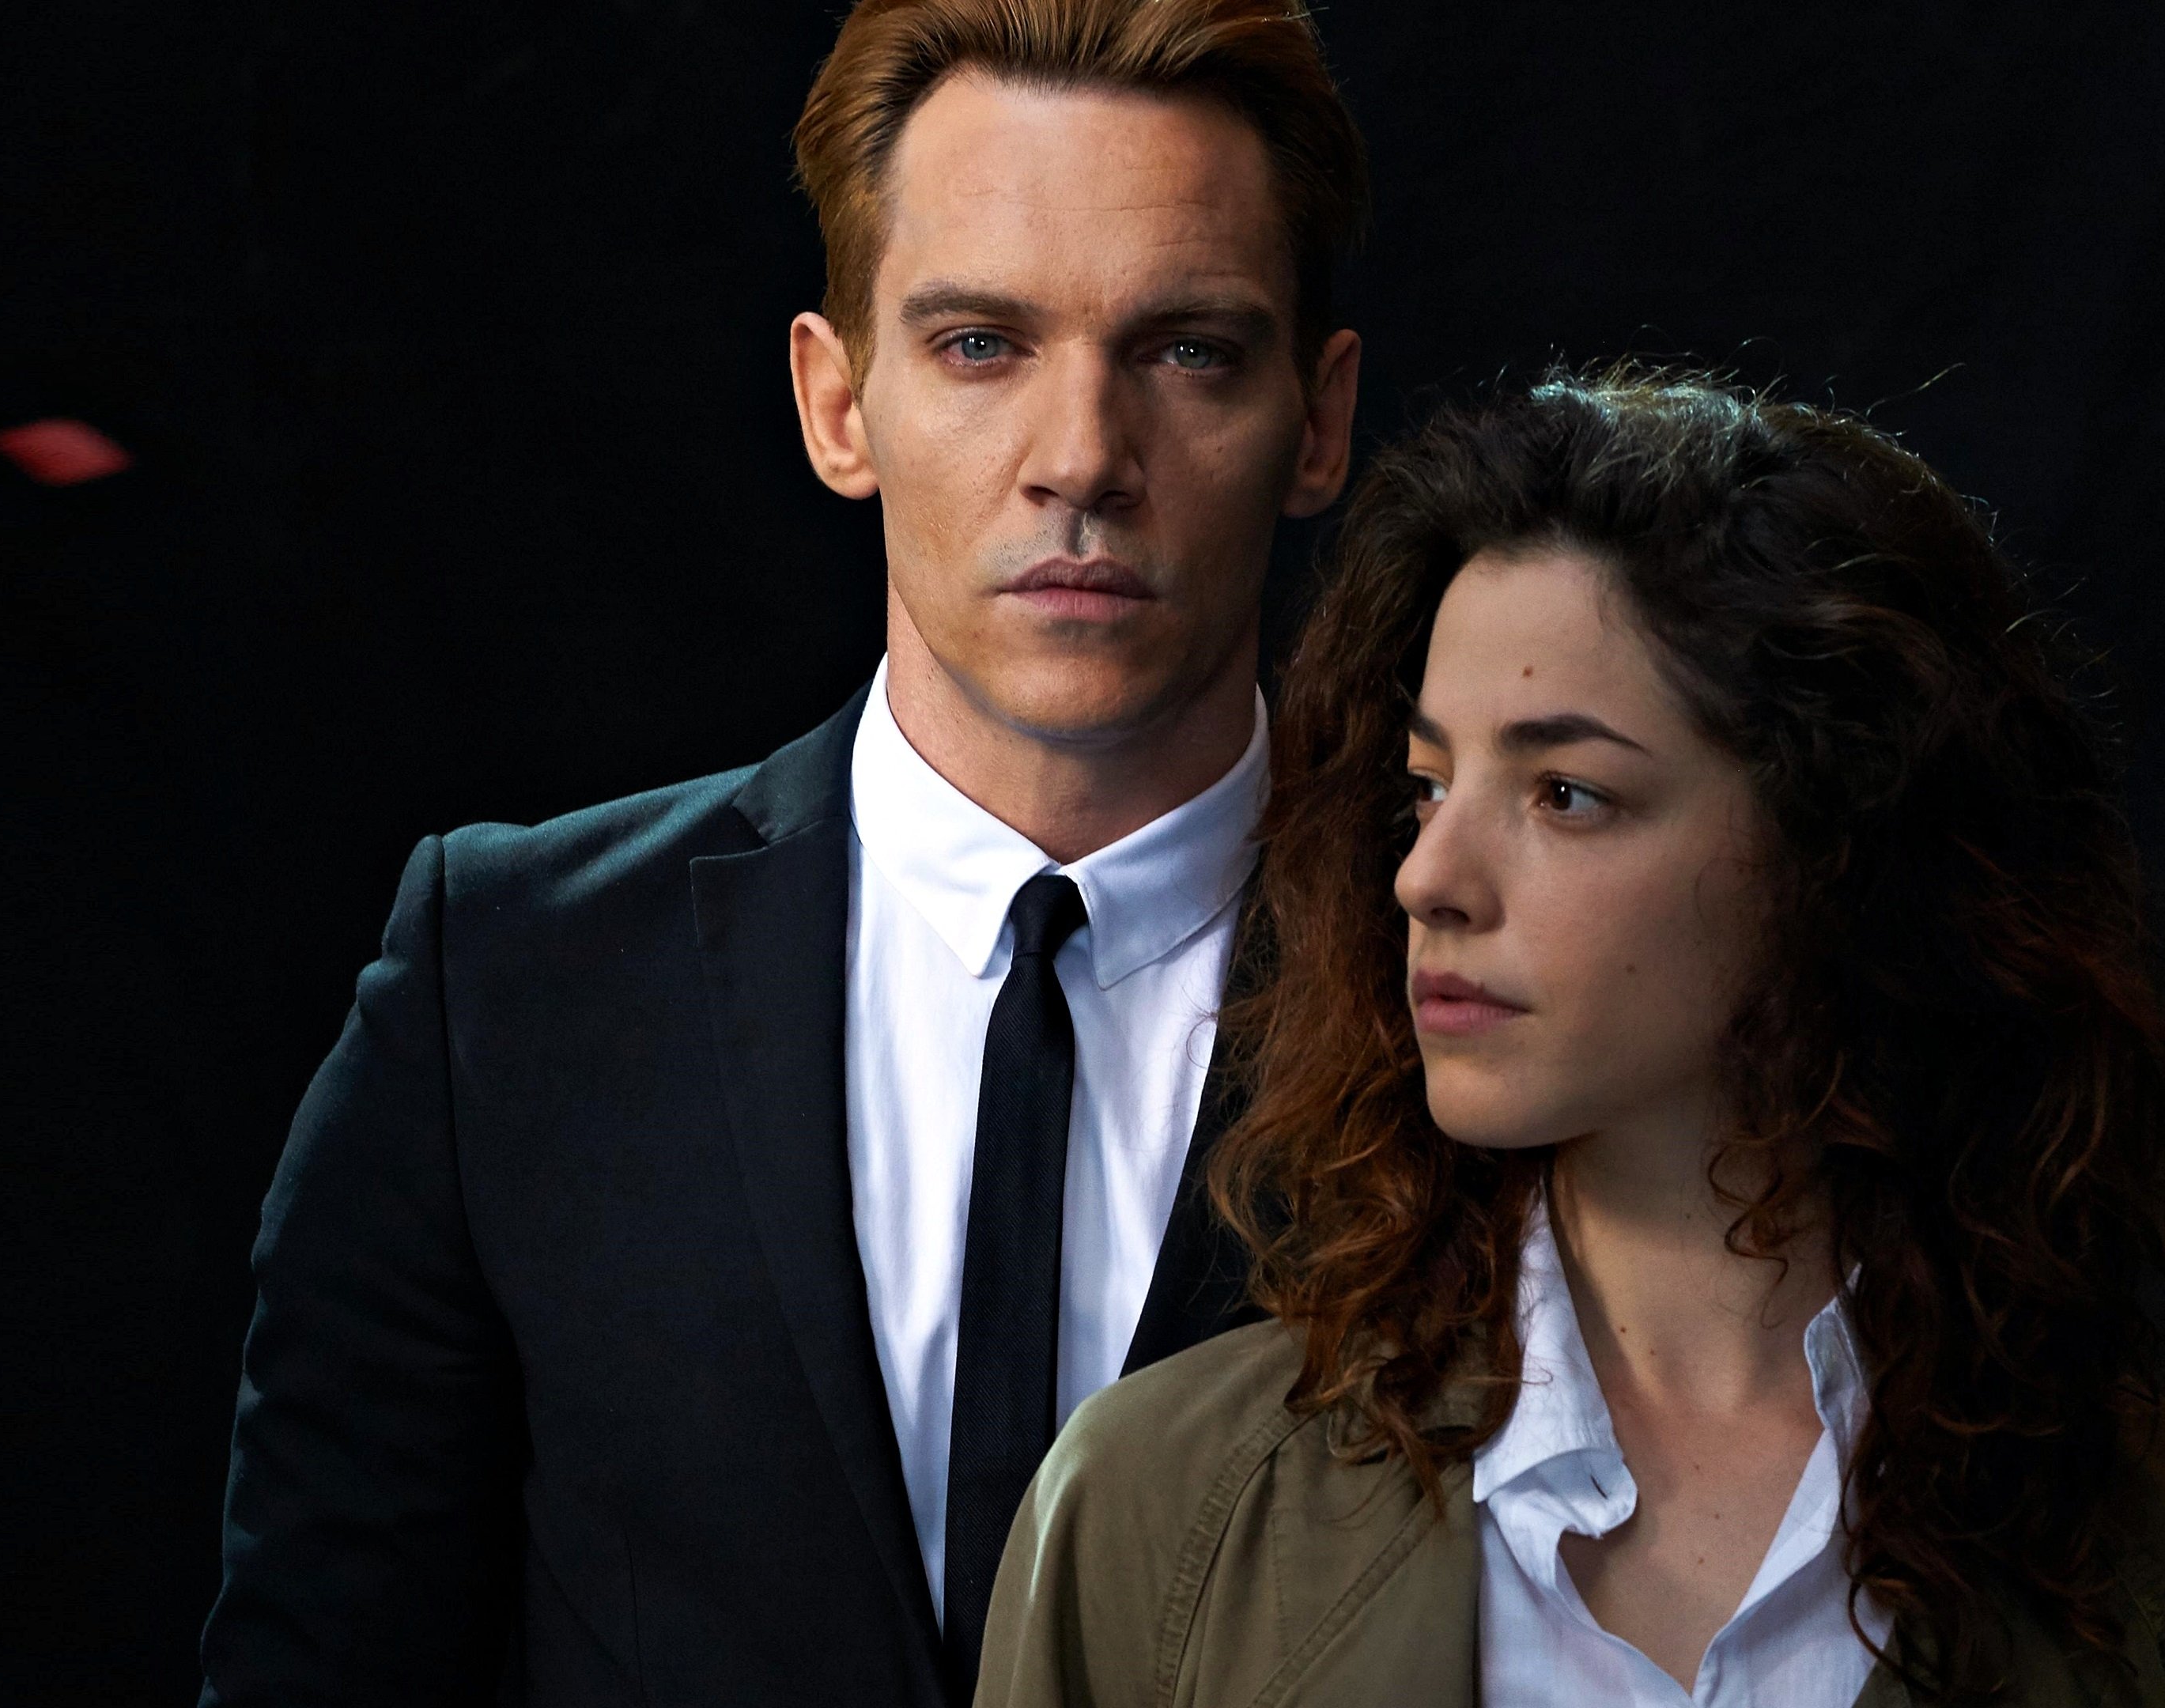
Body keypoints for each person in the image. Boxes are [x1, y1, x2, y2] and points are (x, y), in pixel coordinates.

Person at [194, 2, 1366, 1703]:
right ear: (837, 403)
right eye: (982, 343)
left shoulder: (1481, 991)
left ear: (1318, 420)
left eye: (1187, 350)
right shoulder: (507, 986)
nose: (1081, 460)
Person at [974, 372, 2165, 1707]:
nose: (1429, 877)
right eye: (1427, 787)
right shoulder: (1157, 1517)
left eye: (1566, 793)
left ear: (1833, 849)